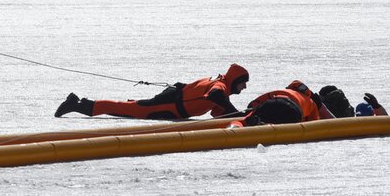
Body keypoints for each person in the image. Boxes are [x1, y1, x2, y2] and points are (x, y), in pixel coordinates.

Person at [54, 64, 249, 120]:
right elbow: (215, 96)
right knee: (128, 110)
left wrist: (241, 115)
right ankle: (77, 104)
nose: (244, 88)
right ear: (235, 81)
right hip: (169, 105)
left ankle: (80, 103)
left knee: (131, 108)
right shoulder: (221, 86)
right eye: (243, 84)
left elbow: (219, 112)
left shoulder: (219, 81)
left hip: (172, 101)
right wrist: (239, 114)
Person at [243, 80, 334, 125]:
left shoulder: (282, 91)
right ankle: (263, 124)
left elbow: (254, 104)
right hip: (291, 109)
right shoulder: (310, 102)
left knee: (252, 119)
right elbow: (313, 125)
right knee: (283, 121)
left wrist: (249, 114)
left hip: (272, 102)